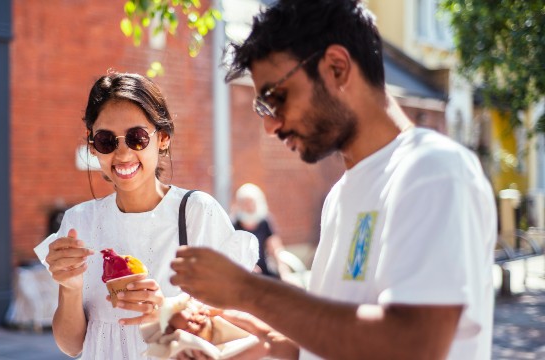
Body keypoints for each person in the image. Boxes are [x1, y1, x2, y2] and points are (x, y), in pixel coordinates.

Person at [170, 1, 497, 359]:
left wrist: (250, 290)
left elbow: (412, 344)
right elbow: (330, 344)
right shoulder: (340, 196)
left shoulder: (432, 169)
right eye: (262, 107)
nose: (270, 125)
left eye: (276, 98)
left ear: (337, 68)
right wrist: (240, 334)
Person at [33, 72, 258, 359]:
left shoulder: (197, 212)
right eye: (106, 140)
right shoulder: (79, 223)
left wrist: (166, 309)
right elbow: (72, 345)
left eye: (137, 138)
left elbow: (240, 313)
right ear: (93, 147)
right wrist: (70, 287)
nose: (123, 153)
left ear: (162, 138)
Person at [231, 183, 284, 278]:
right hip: (242, 272)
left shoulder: (265, 221)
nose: (249, 207)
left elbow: (274, 248)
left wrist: (283, 270)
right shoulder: (233, 225)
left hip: (264, 271)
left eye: (252, 203)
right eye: (245, 203)